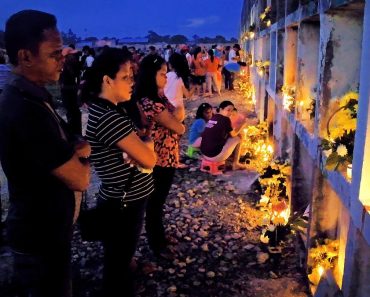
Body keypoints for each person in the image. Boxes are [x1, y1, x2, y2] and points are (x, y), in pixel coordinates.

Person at [0, 10, 91, 297]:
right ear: (26, 56)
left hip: (48, 230)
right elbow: (80, 179)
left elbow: (73, 139)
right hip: (39, 236)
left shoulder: (35, 95)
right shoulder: (25, 109)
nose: (63, 60)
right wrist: (81, 156)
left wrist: (75, 148)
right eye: (54, 53)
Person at [83, 48, 156, 297]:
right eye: (126, 77)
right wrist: (144, 146)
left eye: (132, 76)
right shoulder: (109, 117)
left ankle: (129, 268)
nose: (132, 83)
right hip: (124, 201)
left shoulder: (110, 110)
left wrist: (138, 148)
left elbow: (139, 151)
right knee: (116, 264)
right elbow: (149, 159)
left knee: (120, 251)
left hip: (122, 196)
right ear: (107, 80)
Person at [132, 54, 185, 258]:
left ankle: (160, 236)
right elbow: (178, 126)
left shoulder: (159, 97)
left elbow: (176, 117)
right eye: (162, 74)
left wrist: (177, 118)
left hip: (169, 156)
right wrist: (178, 119)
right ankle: (157, 244)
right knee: (155, 202)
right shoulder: (150, 103)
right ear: (149, 75)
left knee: (159, 201)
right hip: (159, 159)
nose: (166, 78)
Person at [200, 100, 247, 170]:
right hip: (214, 156)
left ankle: (230, 157)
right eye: (228, 110)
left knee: (228, 137)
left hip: (204, 154)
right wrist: (243, 124)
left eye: (231, 111)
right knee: (239, 137)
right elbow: (233, 134)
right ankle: (235, 163)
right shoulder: (225, 119)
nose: (230, 113)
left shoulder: (213, 117)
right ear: (221, 109)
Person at [164, 52, 194, 122]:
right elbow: (188, 95)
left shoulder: (165, 76)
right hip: (178, 111)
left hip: (166, 109)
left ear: (170, 65)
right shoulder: (179, 78)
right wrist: (194, 87)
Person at [60, 46, 82, 134]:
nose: (74, 56)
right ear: (66, 57)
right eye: (72, 55)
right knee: (72, 116)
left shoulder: (71, 67)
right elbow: (63, 86)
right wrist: (78, 87)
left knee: (76, 115)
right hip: (67, 97)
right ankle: (75, 138)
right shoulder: (64, 70)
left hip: (72, 96)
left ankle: (78, 136)